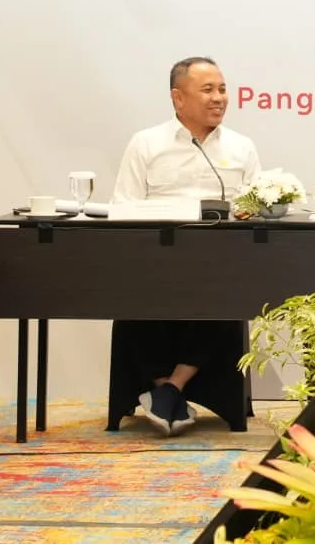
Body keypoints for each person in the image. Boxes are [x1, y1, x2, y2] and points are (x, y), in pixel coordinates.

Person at [111, 56, 261, 436]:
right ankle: (169, 391)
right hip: (156, 260)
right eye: (207, 90)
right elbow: (124, 206)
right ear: (178, 98)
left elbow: (255, 209)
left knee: (227, 293)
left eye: (222, 89)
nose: (219, 98)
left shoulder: (242, 147)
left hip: (218, 262)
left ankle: (169, 390)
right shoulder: (146, 143)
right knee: (129, 292)